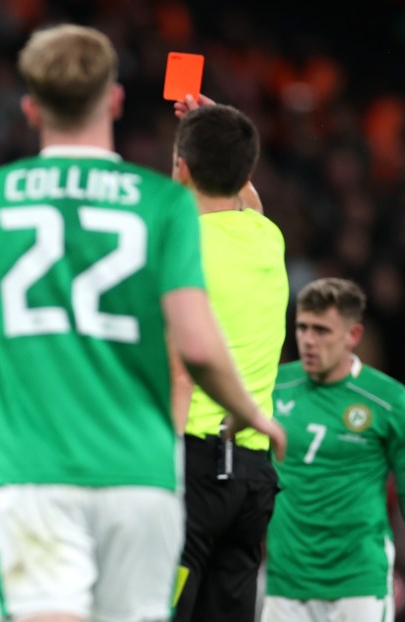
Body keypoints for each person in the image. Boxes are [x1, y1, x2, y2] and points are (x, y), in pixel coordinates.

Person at [0, 24, 285, 622]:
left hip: (51, 459)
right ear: (114, 101)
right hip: (165, 471)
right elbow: (241, 210)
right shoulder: (177, 213)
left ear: (30, 108)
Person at [167, 101, 288, 622]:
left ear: (182, 169)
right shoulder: (267, 238)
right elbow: (248, 198)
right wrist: (219, 122)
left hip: (192, 469)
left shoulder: (179, 247)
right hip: (252, 480)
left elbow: (179, 370)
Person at [262, 277, 405, 622]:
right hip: (286, 583)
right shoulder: (274, 387)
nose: (308, 341)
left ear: (353, 336)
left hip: (358, 584)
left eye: (322, 330)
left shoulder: (390, 401)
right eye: (302, 328)